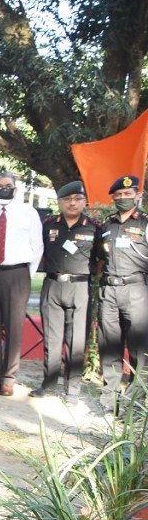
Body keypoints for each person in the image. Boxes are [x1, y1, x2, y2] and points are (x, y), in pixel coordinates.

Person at [0, 172, 43, 396]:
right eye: (0, 185)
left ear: (15, 188)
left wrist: (24, 275)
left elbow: (37, 247)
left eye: (8, 185)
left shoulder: (28, 212)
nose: (4, 188)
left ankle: (8, 378)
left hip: (17, 274)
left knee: (14, 327)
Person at [30, 181, 99, 400]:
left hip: (80, 287)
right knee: (52, 337)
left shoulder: (94, 227)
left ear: (84, 202)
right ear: (59, 202)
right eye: (67, 199)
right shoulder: (49, 225)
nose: (72, 203)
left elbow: (101, 260)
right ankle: (48, 384)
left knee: (77, 340)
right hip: (52, 285)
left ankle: (73, 390)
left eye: (77, 199)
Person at [95, 175, 148, 411]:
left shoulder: (145, 225)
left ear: (138, 195)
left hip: (136, 291)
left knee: (139, 350)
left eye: (127, 194)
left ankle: (134, 405)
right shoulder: (107, 225)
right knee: (109, 347)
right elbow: (99, 258)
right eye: (118, 195)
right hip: (109, 291)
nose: (122, 198)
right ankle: (110, 401)